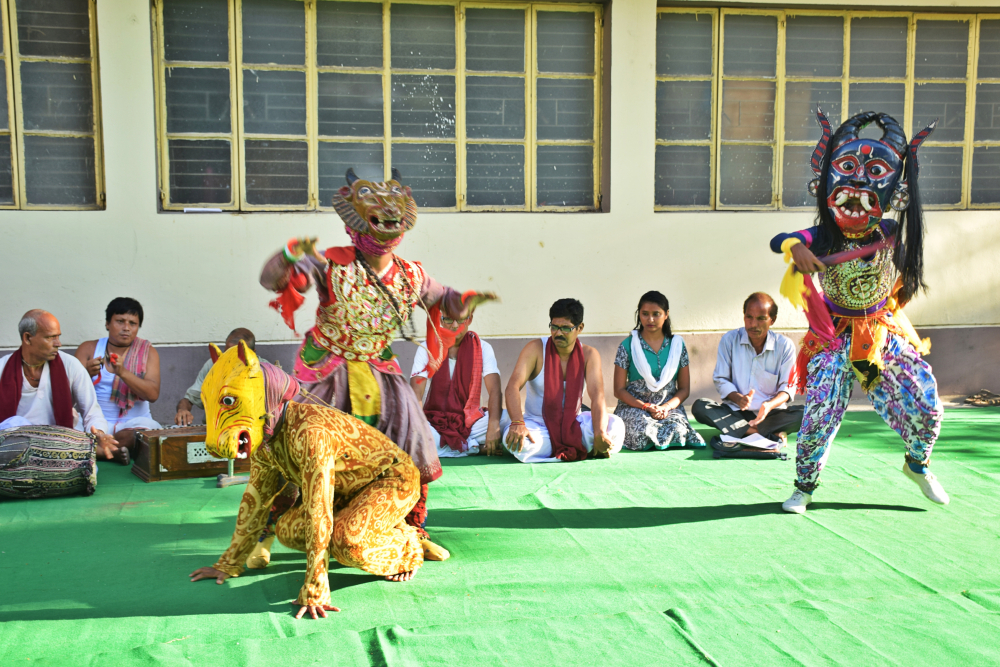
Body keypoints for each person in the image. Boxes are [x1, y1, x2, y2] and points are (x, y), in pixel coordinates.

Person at [259, 168, 496, 559]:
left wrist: (465, 301)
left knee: (414, 442)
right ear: (354, 214)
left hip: (380, 372)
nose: (386, 214)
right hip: (327, 370)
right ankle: (266, 534)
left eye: (393, 208)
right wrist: (287, 255)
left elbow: (447, 300)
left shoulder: (411, 275)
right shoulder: (329, 265)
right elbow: (273, 282)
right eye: (374, 202)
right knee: (296, 448)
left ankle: (411, 530)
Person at [772, 109, 947, 514]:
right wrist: (794, 246)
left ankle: (917, 465)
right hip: (833, 337)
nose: (857, 182)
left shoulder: (888, 233)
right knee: (820, 411)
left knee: (925, 401)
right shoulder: (822, 236)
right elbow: (783, 237)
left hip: (880, 335)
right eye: (847, 168)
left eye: (874, 171)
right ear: (825, 182)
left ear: (896, 194)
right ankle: (804, 487)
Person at [189, 342, 424, 620]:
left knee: (348, 544)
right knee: (287, 529)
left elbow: (318, 508)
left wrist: (315, 588)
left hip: (392, 479)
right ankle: (375, 526)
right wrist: (228, 563)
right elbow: (256, 500)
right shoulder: (268, 438)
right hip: (346, 491)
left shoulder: (310, 433)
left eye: (230, 401)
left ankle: (408, 544)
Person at [503, 298, 625, 463]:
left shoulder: (589, 354)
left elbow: (598, 396)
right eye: (554, 327)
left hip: (573, 424)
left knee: (616, 426)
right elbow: (512, 387)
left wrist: (599, 432)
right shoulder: (536, 349)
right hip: (539, 425)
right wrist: (518, 422)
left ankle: (560, 449)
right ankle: (582, 448)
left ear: (579, 328)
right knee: (520, 443)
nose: (558, 333)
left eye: (566, 328)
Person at [0, 310, 119, 459]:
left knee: (88, 470)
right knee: (15, 423)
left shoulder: (71, 365)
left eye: (58, 337)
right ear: (28, 338)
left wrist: (99, 434)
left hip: (59, 443)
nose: (58, 343)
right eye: (50, 337)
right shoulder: (2, 368)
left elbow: (92, 412)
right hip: (17, 447)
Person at [692, 292, 802, 445]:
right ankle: (761, 433)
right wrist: (739, 399)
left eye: (761, 318)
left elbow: (788, 387)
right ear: (744, 317)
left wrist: (768, 405)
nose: (753, 324)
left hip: (771, 414)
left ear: (772, 320)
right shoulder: (729, 340)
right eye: (749, 317)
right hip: (737, 412)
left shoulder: (784, 346)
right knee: (700, 406)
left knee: (808, 413)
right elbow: (721, 379)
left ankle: (743, 431)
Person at [409, 311, 509, 457]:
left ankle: (447, 446)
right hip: (436, 420)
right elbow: (416, 392)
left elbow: (494, 389)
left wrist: (493, 424)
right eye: (448, 319)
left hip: (469, 420)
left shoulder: (482, 347)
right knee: (413, 430)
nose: (455, 326)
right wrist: (417, 426)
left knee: (505, 418)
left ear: (469, 319)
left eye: (460, 319)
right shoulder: (427, 348)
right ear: (440, 320)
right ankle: (472, 447)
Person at [613, 291, 704, 451]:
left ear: (666, 314)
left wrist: (666, 407)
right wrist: (645, 406)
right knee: (642, 430)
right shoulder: (628, 345)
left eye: (656, 314)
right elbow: (619, 390)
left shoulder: (677, 346)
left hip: (668, 406)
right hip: (635, 407)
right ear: (639, 314)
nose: (650, 319)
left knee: (679, 429)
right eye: (645, 314)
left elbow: (684, 389)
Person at [75, 298, 161, 464]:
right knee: (69, 426)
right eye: (120, 321)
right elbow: (67, 392)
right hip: (96, 425)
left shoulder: (148, 352)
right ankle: (107, 450)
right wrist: (85, 373)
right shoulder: (88, 349)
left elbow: (152, 394)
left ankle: (97, 449)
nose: (126, 328)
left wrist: (123, 373)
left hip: (131, 426)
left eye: (133, 323)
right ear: (107, 323)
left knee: (146, 431)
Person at [174, 328, 262, 426]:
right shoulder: (213, 365)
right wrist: (183, 410)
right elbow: (189, 399)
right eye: (227, 354)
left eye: (237, 357)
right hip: (214, 429)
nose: (230, 361)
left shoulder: (264, 370)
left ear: (252, 353)